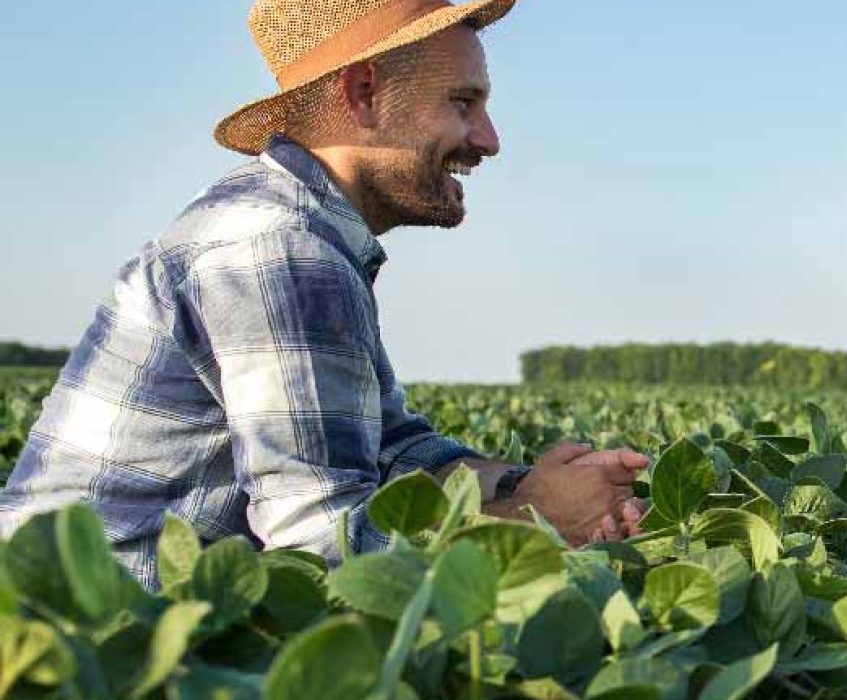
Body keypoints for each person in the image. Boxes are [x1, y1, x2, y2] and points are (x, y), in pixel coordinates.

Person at [0, 0, 643, 588]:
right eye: (462, 103)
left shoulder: (307, 234)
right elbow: (319, 545)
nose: (488, 139)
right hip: (79, 636)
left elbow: (390, 448)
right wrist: (534, 522)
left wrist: (523, 484)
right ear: (364, 93)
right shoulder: (277, 247)